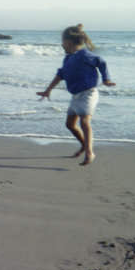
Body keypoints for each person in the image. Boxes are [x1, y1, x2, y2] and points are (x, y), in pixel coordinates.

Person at [37, 24, 116, 165]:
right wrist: (48, 90)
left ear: (68, 42)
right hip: (75, 96)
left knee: (84, 121)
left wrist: (106, 79)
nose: (61, 45)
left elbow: (101, 62)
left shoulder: (85, 55)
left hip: (89, 94)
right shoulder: (68, 59)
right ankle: (84, 145)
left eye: (62, 42)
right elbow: (60, 75)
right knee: (70, 125)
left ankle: (90, 153)